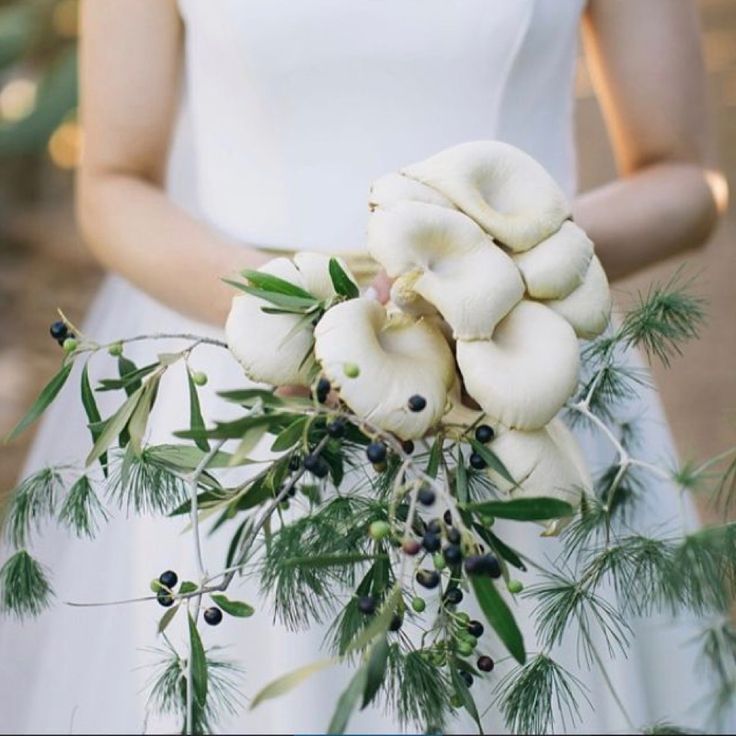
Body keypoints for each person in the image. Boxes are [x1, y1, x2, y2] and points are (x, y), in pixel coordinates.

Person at [0, 1, 727, 733]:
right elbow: (114, 183)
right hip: (253, 403)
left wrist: (493, 275)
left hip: (523, 385)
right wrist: (288, 310)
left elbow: (685, 179)